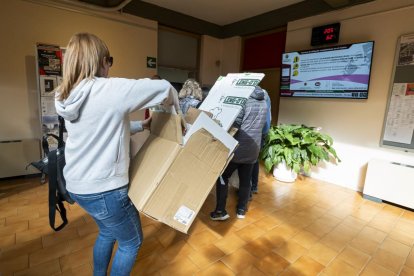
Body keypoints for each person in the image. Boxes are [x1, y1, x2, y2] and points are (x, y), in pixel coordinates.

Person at [55, 33, 180, 276]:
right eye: (108, 60)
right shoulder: (109, 89)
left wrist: (140, 126)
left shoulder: (66, 95)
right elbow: (165, 87)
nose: (110, 66)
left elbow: (98, 127)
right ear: (99, 61)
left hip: (78, 187)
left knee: (107, 232)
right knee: (130, 243)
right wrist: (177, 115)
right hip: (105, 191)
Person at [210, 86, 268, 220]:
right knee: (246, 179)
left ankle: (220, 211)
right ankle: (241, 210)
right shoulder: (264, 102)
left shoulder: (244, 102)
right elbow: (265, 127)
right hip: (254, 147)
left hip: (238, 148)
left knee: (223, 175)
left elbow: (235, 126)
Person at [251, 87, 272, 195]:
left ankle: (248, 187)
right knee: (255, 160)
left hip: (252, 132)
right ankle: (254, 186)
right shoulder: (265, 94)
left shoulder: (250, 95)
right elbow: (268, 116)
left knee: (249, 161)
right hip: (263, 130)